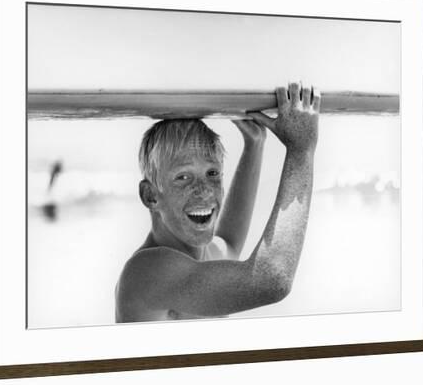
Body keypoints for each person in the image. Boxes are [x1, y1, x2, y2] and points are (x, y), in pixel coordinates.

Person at [115, 82, 320, 322]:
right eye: (183, 177)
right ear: (151, 196)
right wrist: (301, 150)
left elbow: (230, 242)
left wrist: (255, 145)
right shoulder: (148, 271)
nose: (203, 191)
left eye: (212, 173)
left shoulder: (204, 255)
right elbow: (271, 280)